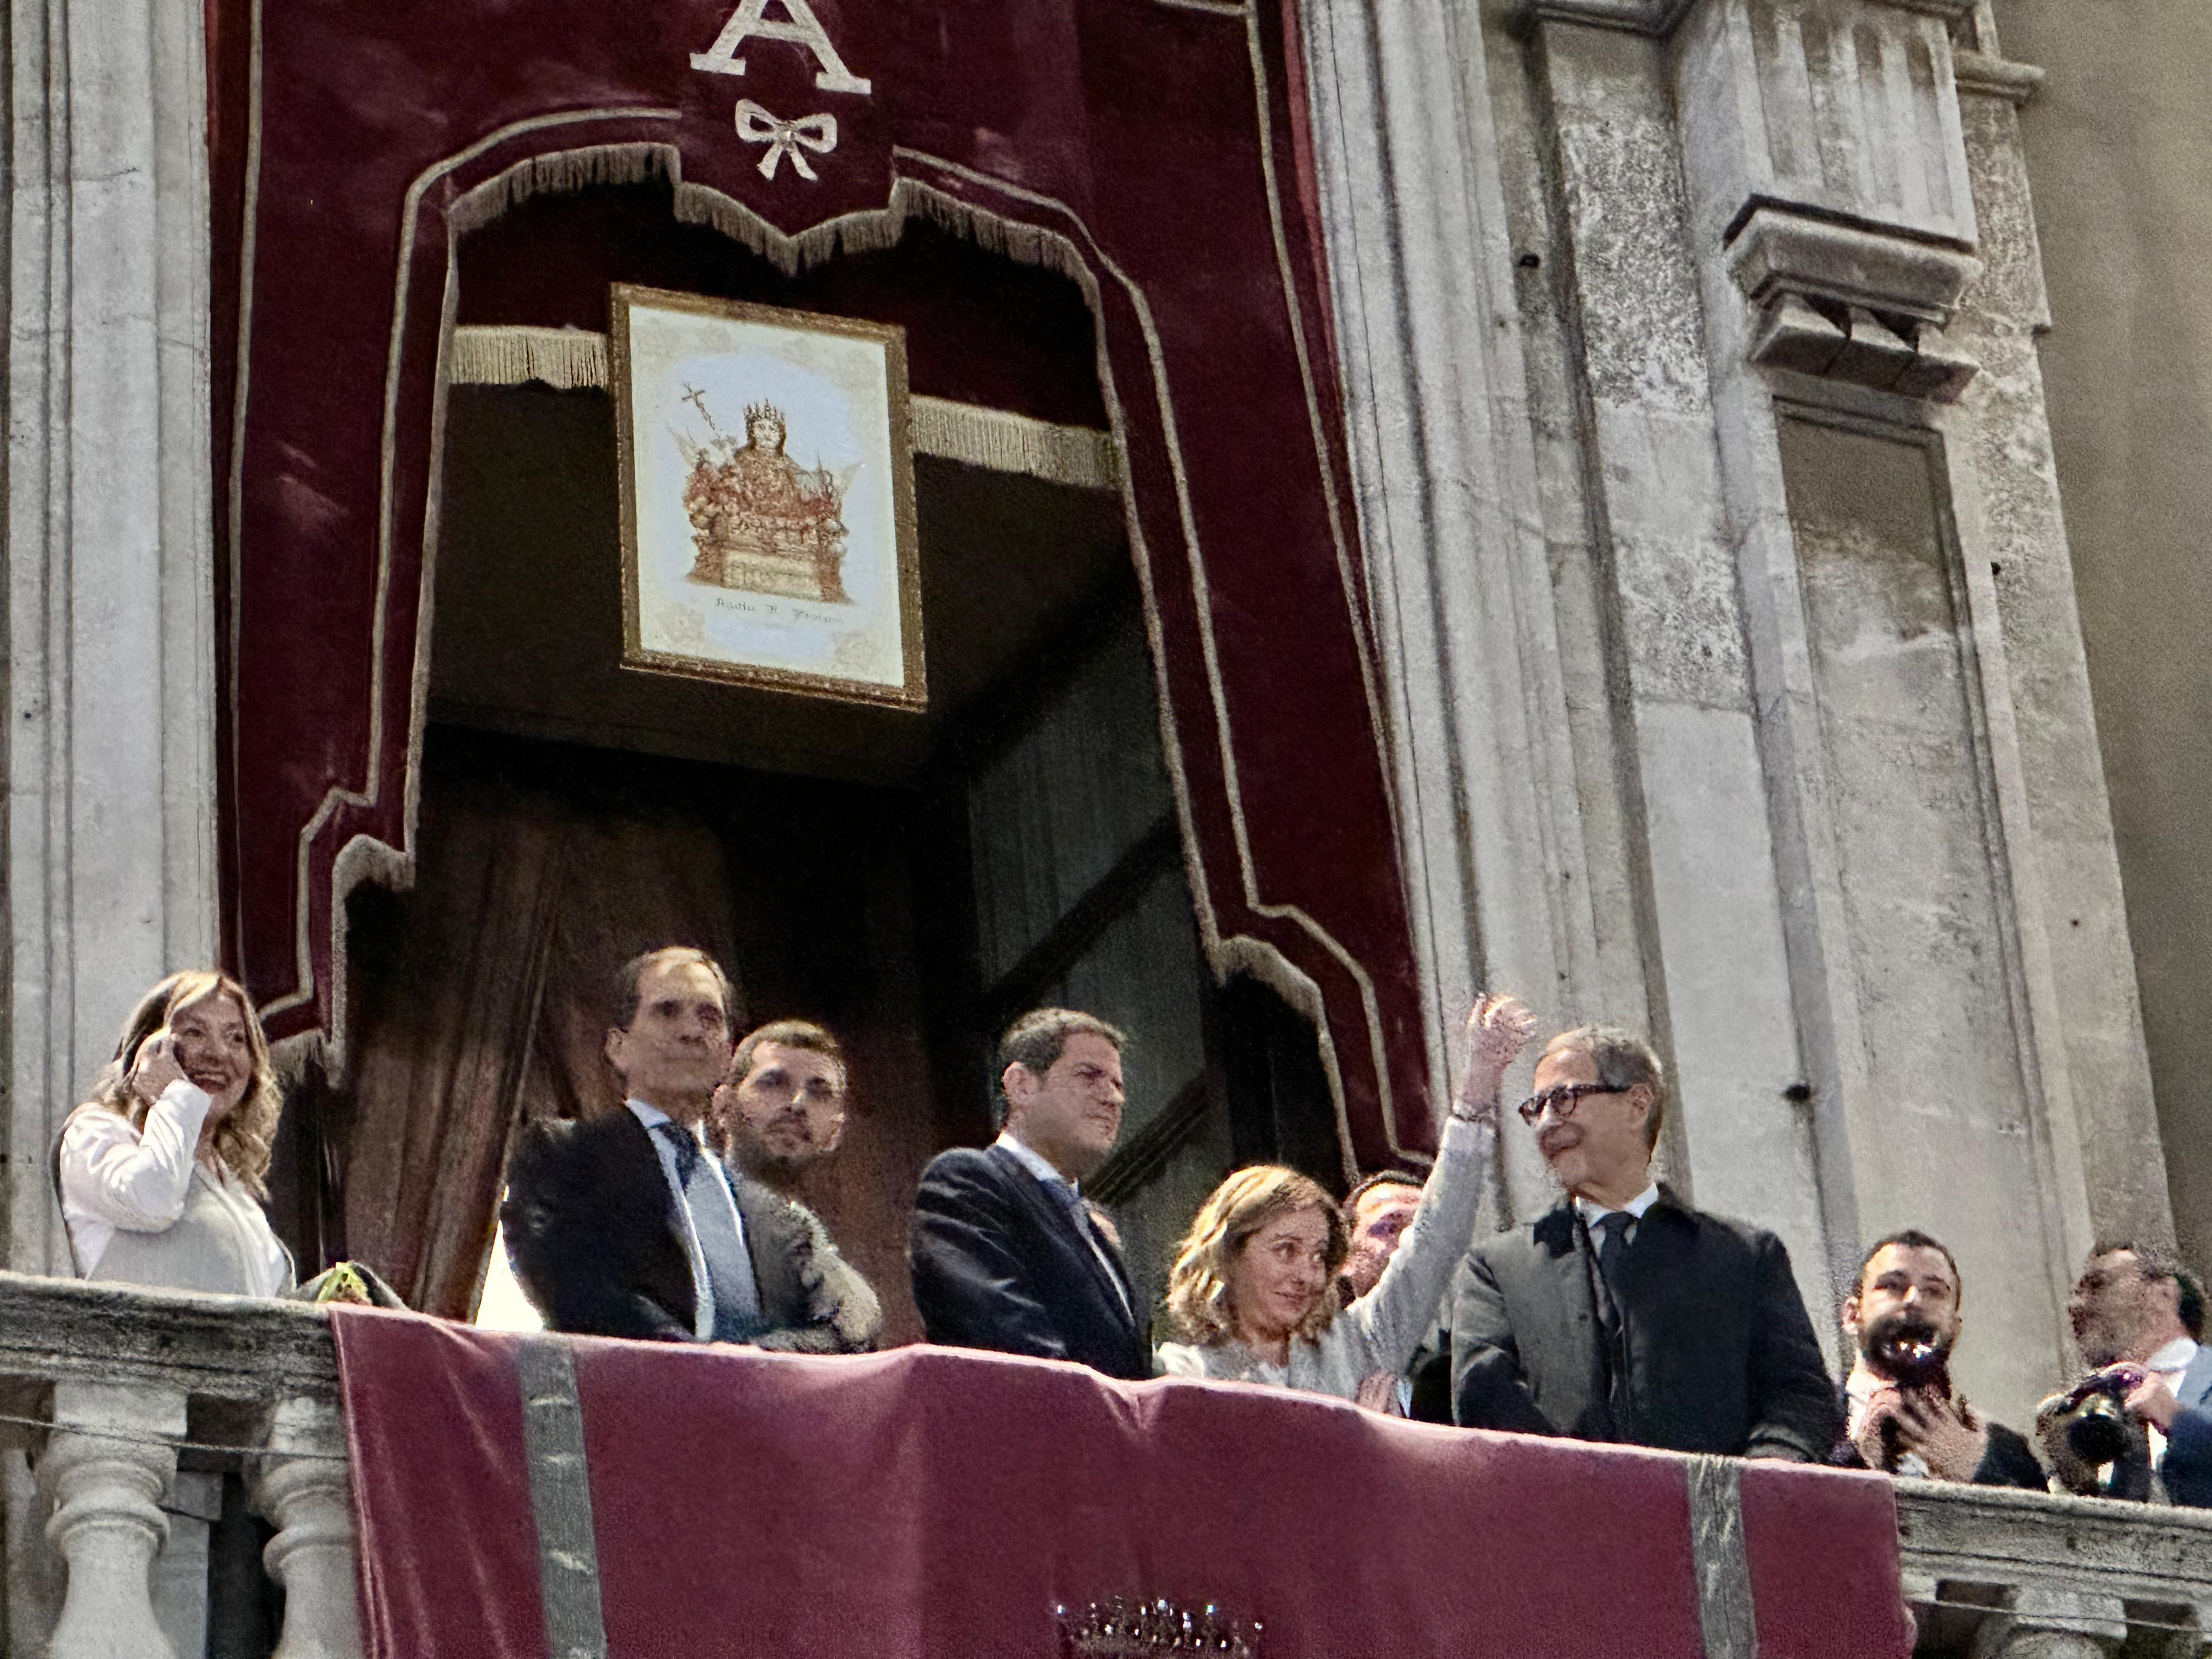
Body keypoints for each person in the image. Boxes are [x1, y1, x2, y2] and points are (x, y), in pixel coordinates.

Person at [1451, 1025, 1838, 1460]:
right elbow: (1484, 1399)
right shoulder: (1500, 1269)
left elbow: (1800, 1396)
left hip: (1717, 1517)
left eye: (1563, 1099)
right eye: (1534, 1108)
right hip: (1564, 1517)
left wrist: (1761, 1479)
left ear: (1637, 1105)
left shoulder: (1742, 1256)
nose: (1545, 1124)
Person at [1158, 995, 1532, 1407]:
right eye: (1286, 1250)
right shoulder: (1183, 1372)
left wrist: (1477, 1088)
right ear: (1229, 1254)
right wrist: (1363, 1444)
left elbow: (1436, 1239)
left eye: (1319, 1256)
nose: (1307, 1274)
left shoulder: (1361, 1340)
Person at [501, 947, 869, 1350]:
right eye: (667, 1011)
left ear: (728, 1055)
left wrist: (757, 1359)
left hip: (759, 1399)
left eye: (709, 1017)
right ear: (618, 1047)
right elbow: (569, 1279)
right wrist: (694, 1364)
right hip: (630, 1394)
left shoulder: (766, 1210)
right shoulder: (566, 1152)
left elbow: (847, 1327)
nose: (692, 1031)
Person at [907, 1008, 1147, 1379]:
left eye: (1118, 1085)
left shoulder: (1095, 1230)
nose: (1114, 1099)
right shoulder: (967, 1179)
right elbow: (1005, 1337)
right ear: (1022, 1086)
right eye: (1090, 1076)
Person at [57, 970, 292, 1296]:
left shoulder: (234, 1191)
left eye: (236, 1038)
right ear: (149, 1049)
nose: (218, 1054)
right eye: (195, 1033)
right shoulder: (96, 1133)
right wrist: (172, 1093)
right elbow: (153, 1200)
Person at [706, 1019, 881, 1351]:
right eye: (773, 1083)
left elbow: (856, 1331)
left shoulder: (837, 1277)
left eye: (819, 1092)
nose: (798, 1103)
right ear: (722, 1107)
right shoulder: (676, 1208)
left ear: (835, 1131)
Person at [1829, 1229, 2045, 1488]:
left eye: (1934, 1291)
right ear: (1852, 1316)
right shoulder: (1811, 1424)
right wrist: (1860, 1463)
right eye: (1892, 1286)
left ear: (1955, 1328)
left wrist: (1976, 1466)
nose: (1914, 1300)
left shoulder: (2006, 1453)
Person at [2040, 1241, 2211, 1500]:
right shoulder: (2093, 1411)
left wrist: (2177, 1420)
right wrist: (2071, 1476)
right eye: (2076, 1293)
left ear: (2165, 1293)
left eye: (2098, 1284)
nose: (2074, 1306)